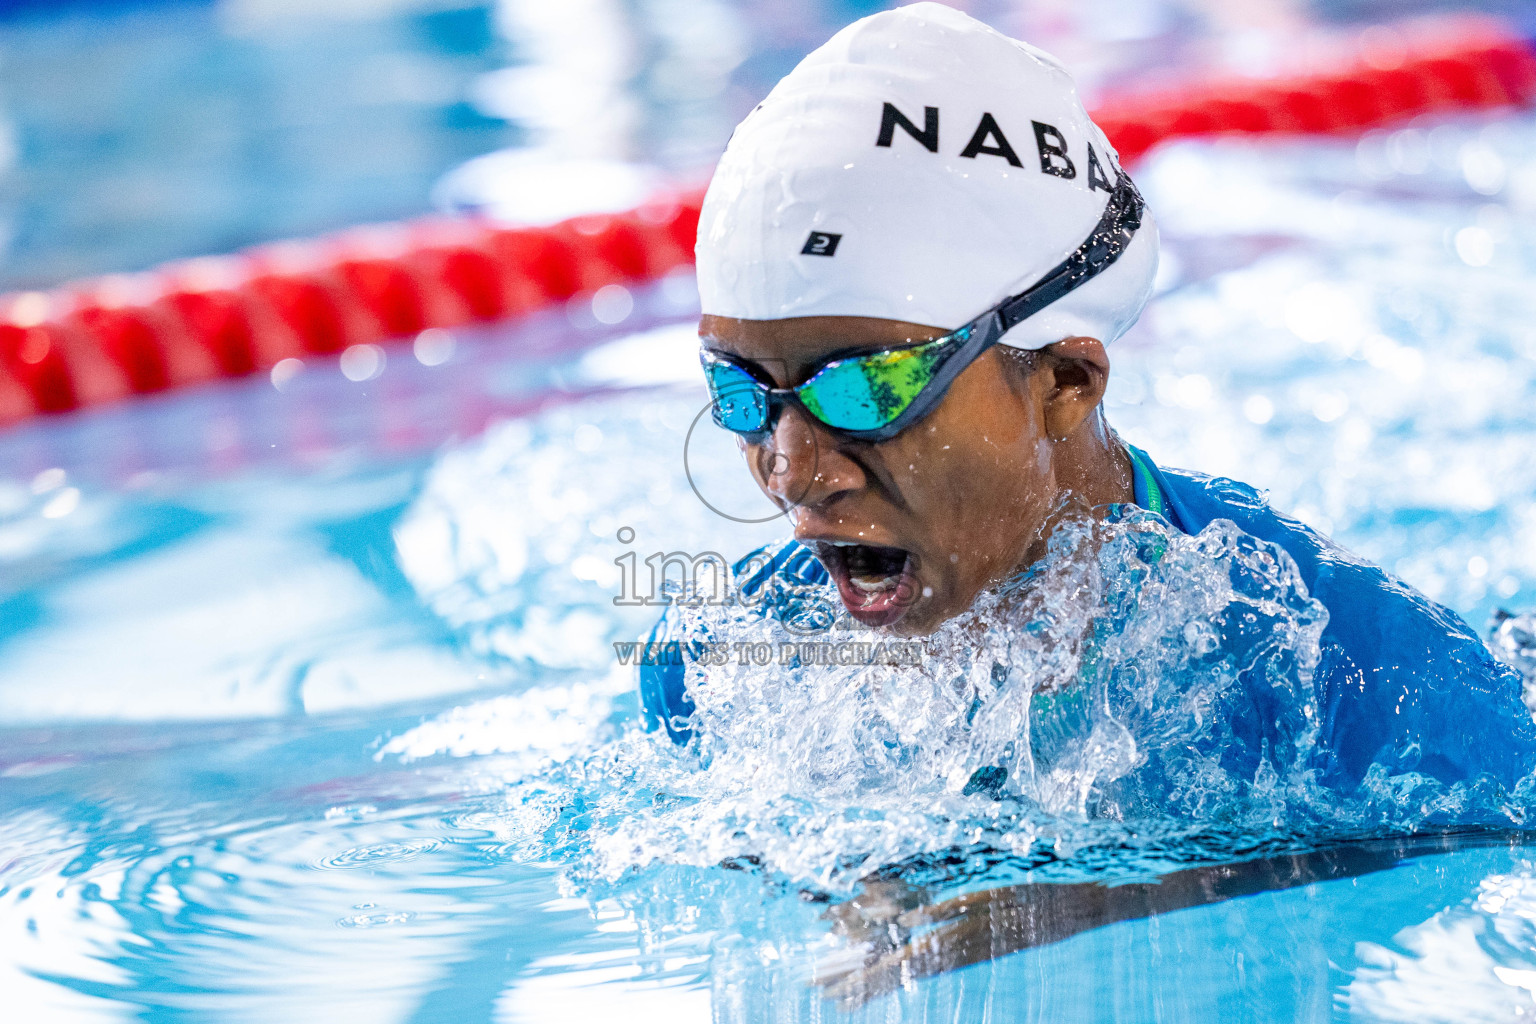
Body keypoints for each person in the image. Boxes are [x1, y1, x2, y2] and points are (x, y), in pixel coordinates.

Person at [635, 0, 1536, 985]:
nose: (793, 471)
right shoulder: (719, 667)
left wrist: (1110, 894)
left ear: (1065, 381)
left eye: (866, 389)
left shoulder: (1338, 662)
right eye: (743, 393)